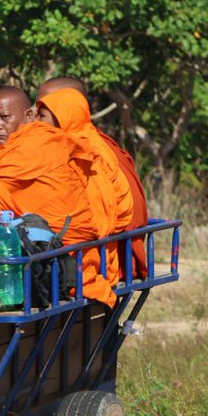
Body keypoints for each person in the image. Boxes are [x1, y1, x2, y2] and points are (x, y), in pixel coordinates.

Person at [0, 86, 116, 306]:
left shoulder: (36, 145)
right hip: (63, 256)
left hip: (63, 259)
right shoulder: (17, 150)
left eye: (4, 117)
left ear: (29, 115)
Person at [37, 76, 151, 277]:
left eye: (44, 112)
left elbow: (92, 223)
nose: (34, 119)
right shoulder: (84, 145)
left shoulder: (87, 154)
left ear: (70, 109)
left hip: (109, 258)